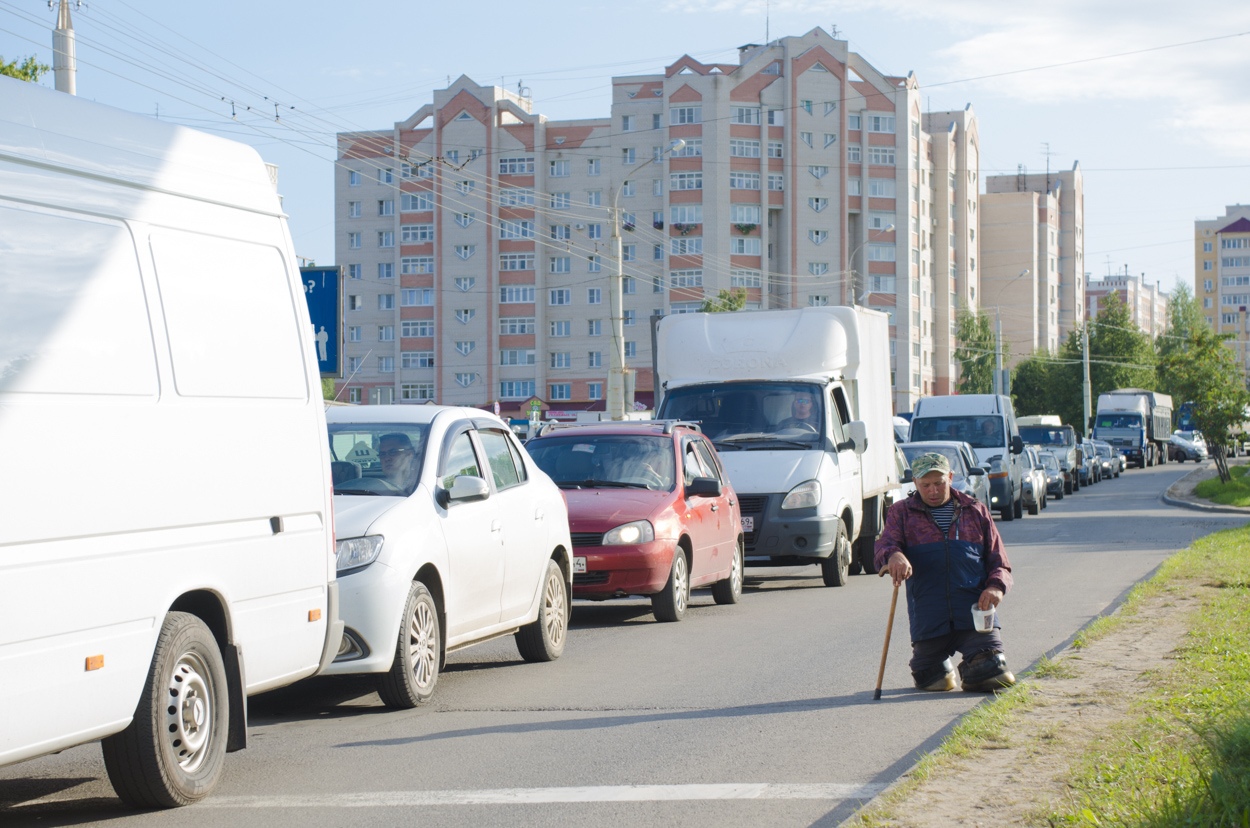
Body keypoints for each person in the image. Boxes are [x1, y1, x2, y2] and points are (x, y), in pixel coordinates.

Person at [874, 451, 1017, 693]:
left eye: (939, 483)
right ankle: (938, 665)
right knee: (935, 681)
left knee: (995, 672)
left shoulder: (976, 511)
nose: (933, 490)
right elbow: (884, 547)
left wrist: (996, 587)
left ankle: (976, 664)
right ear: (915, 483)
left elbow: (1000, 562)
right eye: (925, 485)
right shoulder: (901, 512)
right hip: (929, 617)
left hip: (975, 616)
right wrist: (894, 556)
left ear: (950, 477)